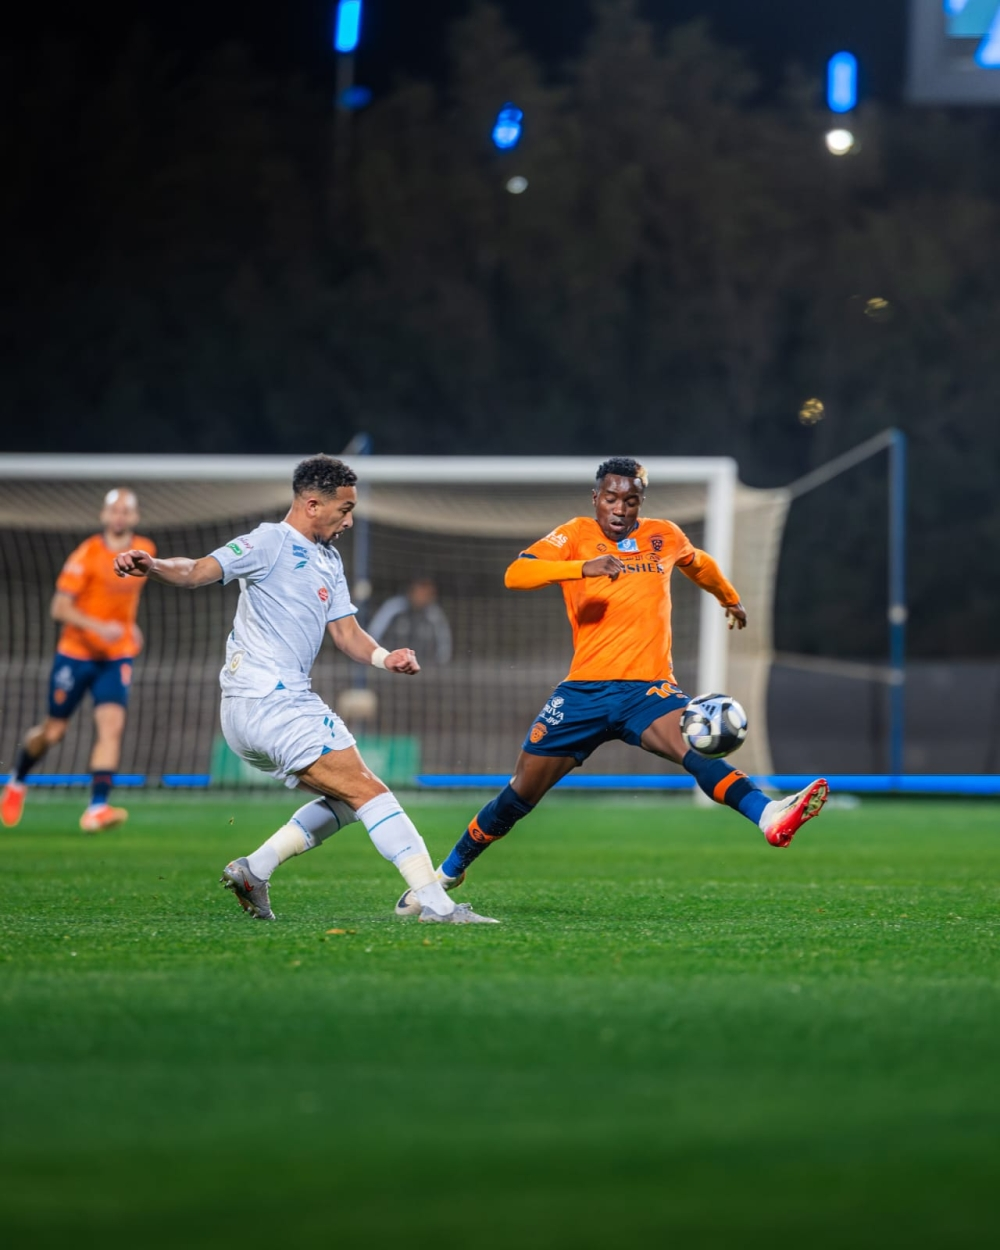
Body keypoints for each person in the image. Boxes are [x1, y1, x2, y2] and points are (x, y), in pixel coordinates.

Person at [395, 457, 828, 917]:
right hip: (582, 693)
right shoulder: (574, 535)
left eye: (631, 500)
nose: (620, 509)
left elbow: (697, 563)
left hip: (647, 689)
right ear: (596, 497)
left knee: (693, 746)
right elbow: (516, 574)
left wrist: (729, 597)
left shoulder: (664, 536)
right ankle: (445, 875)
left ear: (641, 502)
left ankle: (767, 815)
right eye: (611, 498)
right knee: (519, 794)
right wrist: (583, 568)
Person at [111, 454, 494, 924]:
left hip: (258, 708)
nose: (349, 520)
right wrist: (151, 565)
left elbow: (346, 633)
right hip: (271, 701)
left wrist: (384, 657)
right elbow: (195, 571)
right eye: (344, 509)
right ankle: (435, 903)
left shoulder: (328, 560)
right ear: (312, 504)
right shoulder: (269, 541)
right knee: (372, 793)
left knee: (350, 800)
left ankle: (255, 869)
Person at [1, 489, 156, 832]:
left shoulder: (145, 551)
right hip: (76, 655)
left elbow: (121, 601)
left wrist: (129, 627)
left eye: (125, 511)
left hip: (115, 657)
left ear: (134, 517)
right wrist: (101, 627)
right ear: (104, 515)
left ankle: (97, 807)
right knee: (54, 732)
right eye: (113, 510)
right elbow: (59, 607)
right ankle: (17, 779)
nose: (119, 516)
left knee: (112, 727)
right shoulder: (87, 554)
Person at [368, 577, 453, 665]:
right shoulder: (394, 608)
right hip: (392, 664)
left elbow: (444, 644)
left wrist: (440, 663)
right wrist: (381, 658)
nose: (423, 597)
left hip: (423, 667)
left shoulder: (434, 614)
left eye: (428, 594)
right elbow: (374, 633)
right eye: (421, 593)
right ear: (412, 591)